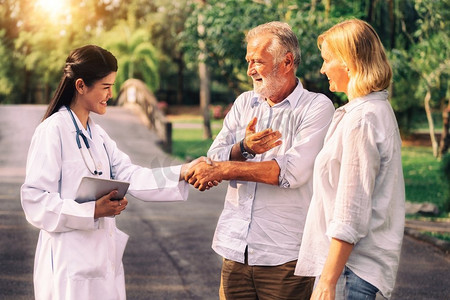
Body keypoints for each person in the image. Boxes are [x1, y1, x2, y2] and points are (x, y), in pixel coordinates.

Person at [20, 45, 205, 299]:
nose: (111, 94)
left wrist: (182, 171)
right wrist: (92, 210)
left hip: (101, 262)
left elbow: (131, 175)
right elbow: (35, 200)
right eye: (106, 87)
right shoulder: (52, 130)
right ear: (81, 85)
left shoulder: (98, 135)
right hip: (67, 264)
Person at [186, 22, 335, 299]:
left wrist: (223, 169)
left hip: (285, 257)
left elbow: (291, 173)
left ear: (287, 61)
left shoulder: (317, 107)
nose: (250, 70)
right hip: (234, 250)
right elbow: (214, 154)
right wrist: (243, 147)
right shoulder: (244, 103)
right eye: (248, 61)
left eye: (257, 61)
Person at [294, 19, 405, 300]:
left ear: (348, 62)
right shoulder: (372, 110)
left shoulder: (363, 118)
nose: (322, 68)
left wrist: (327, 281)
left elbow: (351, 210)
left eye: (327, 59)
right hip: (350, 267)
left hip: (349, 270)